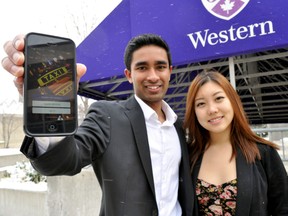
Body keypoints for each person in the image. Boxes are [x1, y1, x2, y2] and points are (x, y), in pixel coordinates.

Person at [2, 33, 193, 216]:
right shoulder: (107, 116)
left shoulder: (179, 127)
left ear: (170, 71)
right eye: (142, 68)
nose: (153, 76)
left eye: (160, 67)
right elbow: (63, 162)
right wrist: (49, 112)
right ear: (128, 74)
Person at [183, 70, 288, 215]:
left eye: (218, 98)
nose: (212, 109)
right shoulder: (188, 157)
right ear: (193, 111)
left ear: (233, 101)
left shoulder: (263, 153)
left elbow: (283, 208)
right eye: (201, 104)